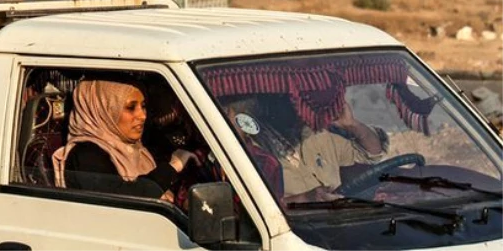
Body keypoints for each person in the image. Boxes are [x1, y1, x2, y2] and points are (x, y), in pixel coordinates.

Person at [52, 78, 197, 199]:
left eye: (143, 106)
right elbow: (122, 200)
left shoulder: (137, 146)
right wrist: (172, 167)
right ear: (104, 110)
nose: (142, 116)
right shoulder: (86, 155)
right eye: (131, 108)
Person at [232, 94, 386, 203]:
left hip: (335, 227)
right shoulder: (254, 150)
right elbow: (253, 209)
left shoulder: (319, 136)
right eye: (289, 102)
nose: (296, 110)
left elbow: (371, 153)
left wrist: (352, 125)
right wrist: (305, 199)